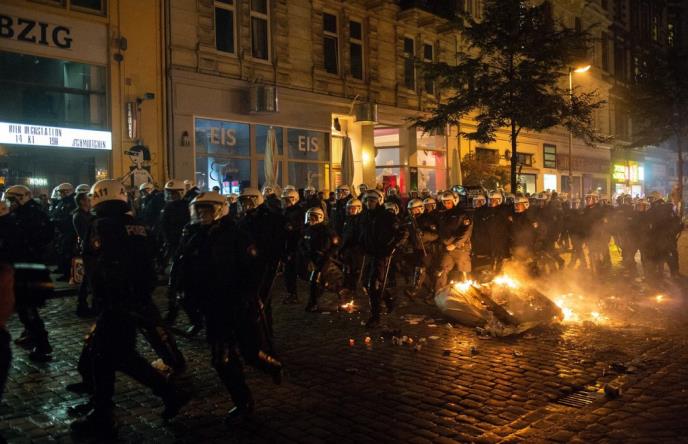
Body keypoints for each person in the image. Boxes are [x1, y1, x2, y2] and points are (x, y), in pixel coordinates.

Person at [70, 180, 188, 438]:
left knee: (115, 356)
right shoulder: (137, 225)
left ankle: (107, 411)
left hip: (116, 303)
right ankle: (103, 407)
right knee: (105, 355)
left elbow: (104, 267)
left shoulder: (102, 226)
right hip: (134, 298)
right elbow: (150, 258)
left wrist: (104, 298)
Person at [183, 191, 283, 423]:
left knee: (250, 353)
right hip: (213, 307)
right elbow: (186, 265)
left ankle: (273, 367)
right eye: (198, 211)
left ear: (218, 210)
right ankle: (243, 402)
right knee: (221, 359)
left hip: (237, 304)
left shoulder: (237, 235)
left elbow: (254, 269)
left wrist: (247, 296)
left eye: (206, 210)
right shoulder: (194, 235)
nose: (202, 215)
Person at [4, 185, 55, 362]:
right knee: (24, 306)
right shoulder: (24, 213)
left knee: (28, 307)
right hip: (25, 265)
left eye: (12, 200)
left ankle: (42, 344)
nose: (10, 204)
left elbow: (42, 237)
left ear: (21, 198)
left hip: (29, 267)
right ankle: (33, 336)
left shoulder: (31, 215)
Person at [237, 187, 286, 336]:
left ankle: (265, 332)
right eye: (244, 202)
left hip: (264, 264)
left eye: (249, 202)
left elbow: (276, 241)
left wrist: (275, 260)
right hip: (246, 265)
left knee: (263, 299)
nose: (246, 205)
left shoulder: (270, 218)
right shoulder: (243, 219)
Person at [358, 189, 406, 327]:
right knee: (366, 283)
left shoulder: (387, 216)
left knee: (374, 284)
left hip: (382, 254)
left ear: (379, 201)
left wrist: (392, 247)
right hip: (368, 253)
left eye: (372, 200)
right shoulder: (365, 216)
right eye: (367, 200)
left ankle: (375, 316)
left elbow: (402, 232)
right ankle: (389, 299)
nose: (369, 203)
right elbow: (362, 232)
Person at [299, 207, 340, 312]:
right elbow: (302, 245)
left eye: (313, 217)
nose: (310, 219)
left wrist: (328, 255)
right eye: (309, 217)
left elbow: (335, 245)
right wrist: (307, 258)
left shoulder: (326, 230)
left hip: (323, 258)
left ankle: (313, 302)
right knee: (317, 281)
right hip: (311, 258)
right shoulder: (306, 230)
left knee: (315, 280)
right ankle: (325, 292)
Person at [160, 179, 190, 318]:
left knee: (180, 281)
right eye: (169, 194)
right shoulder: (168, 207)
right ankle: (173, 310)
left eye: (174, 194)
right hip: (174, 247)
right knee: (175, 281)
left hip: (184, 248)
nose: (171, 197)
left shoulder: (187, 207)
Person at [435, 191, 473, 290]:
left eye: (448, 202)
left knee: (464, 271)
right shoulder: (442, 214)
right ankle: (439, 292)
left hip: (460, 248)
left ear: (454, 201)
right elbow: (441, 231)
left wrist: (455, 244)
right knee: (442, 270)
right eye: (444, 202)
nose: (446, 204)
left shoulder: (462, 214)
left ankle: (468, 293)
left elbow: (466, 231)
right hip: (447, 248)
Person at [73, 191, 95, 317]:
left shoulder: (87, 214)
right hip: (88, 249)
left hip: (91, 248)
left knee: (89, 277)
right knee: (87, 278)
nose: (90, 201)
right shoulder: (79, 216)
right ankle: (82, 305)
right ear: (82, 201)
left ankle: (84, 304)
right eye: (87, 199)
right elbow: (85, 233)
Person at [281, 188, 304, 304]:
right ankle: (291, 293)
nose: (286, 202)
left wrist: (290, 227)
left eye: (288, 200)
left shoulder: (298, 212)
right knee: (287, 271)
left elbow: (297, 228)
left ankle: (293, 294)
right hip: (287, 244)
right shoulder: (286, 211)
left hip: (294, 245)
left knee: (291, 271)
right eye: (285, 200)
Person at [52, 182, 78, 280]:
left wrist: (58, 221)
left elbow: (69, 218)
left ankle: (67, 274)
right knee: (61, 251)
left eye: (62, 192)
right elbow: (56, 213)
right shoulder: (63, 201)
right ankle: (62, 269)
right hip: (63, 231)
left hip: (70, 231)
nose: (61, 194)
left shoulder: (72, 202)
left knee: (67, 252)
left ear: (68, 191)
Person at [339, 198, 364, 296]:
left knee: (356, 269)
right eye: (349, 208)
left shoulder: (360, 220)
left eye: (352, 209)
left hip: (356, 248)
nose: (350, 210)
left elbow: (359, 235)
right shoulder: (348, 219)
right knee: (347, 268)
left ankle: (354, 288)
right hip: (347, 248)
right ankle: (347, 286)